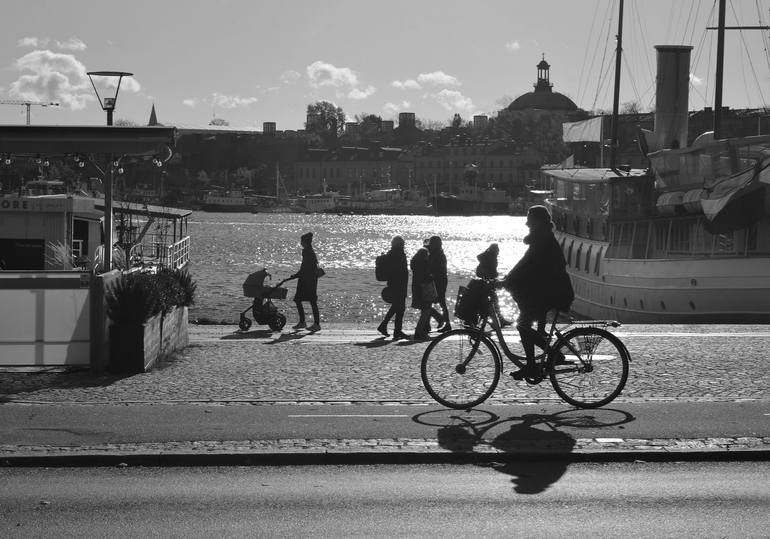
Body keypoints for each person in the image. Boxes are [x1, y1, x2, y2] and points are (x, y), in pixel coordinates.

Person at [501, 205, 574, 379]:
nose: (527, 223)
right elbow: (524, 263)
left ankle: (544, 360)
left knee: (523, 325)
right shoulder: (542, 237)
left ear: (538, 221)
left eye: (530, 218)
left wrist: (508, 280)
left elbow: (528, 264)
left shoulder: (542, 240)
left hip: (554, 292)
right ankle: (537, 363)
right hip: (549, 291)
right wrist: (509, 277)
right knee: (524, 325)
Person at [377, 236, 409, 340]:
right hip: (399, 285)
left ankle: (390, 328)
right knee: (399, 308)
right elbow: (400, 271)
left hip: (394, 284)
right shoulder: (398, 254)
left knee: (397, 307)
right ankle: (395, 330)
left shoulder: (392, 254)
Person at [290, 232, 321, 331]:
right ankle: (303, 322)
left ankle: (315, 324)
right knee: (302, 300)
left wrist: (296, 275)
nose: (300, 243)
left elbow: (304, 267)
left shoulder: (307, 252)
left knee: (308, 301)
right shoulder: (310, 251)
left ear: (305, 242)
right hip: (309, 279)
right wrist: (297, 275)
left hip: (307, 280)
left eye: (301, 241)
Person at [475, 243, 512, 327]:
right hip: (488, 283)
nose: (498, 252)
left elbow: (480, 259)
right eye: (497, 250)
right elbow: (492, 272)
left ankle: (498, 320)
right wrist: (497, 276)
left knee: (492, 302)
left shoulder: (485, 256)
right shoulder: (492, 258)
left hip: (484, 282)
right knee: (494, 302)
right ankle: (498, 321)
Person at [410, 245, 434, 340]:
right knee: (426, 311)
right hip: (424, 290)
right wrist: (432, 276)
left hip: (417, 288)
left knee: (425, 311)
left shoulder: (415, 264)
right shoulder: (423, 265)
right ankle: (419, 332)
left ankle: (421, 330)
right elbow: (426, 278)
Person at [427, 235, 451, 332]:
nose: (430, 245)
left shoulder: (438, 255)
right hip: (439, 280)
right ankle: (427, 324)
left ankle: (446, 323)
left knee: (436, 302)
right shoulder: (437, 253)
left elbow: (435, 268)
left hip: (439, 281)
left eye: (432, 244)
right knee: (433, 302)